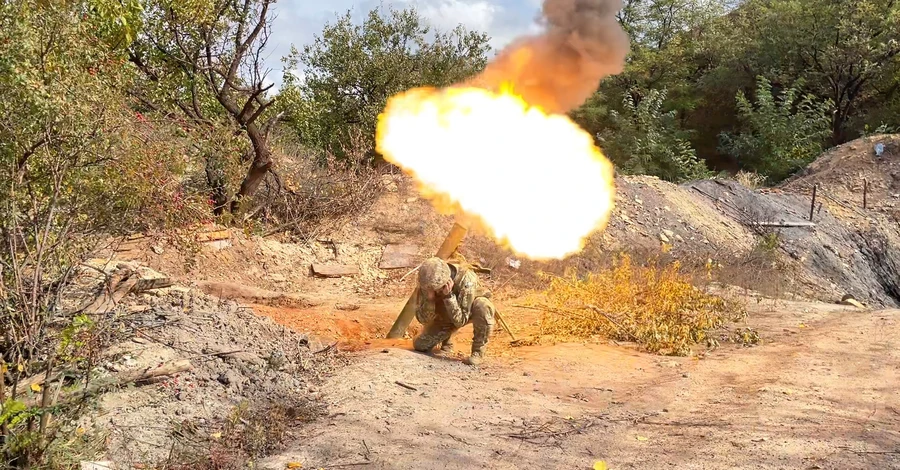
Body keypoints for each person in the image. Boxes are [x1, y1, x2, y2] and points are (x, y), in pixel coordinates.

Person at [413, 256, 496, 365]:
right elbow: (422, 319)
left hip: (467, 312)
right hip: (445, 317)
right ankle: (447, 339)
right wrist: (430, 300)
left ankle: (478, 353)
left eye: (436, 288)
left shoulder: (466, 280)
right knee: (420, 345)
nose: (434, 290)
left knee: (483, 305)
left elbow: (460, 321)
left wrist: (449, 296)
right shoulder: (427, 283)